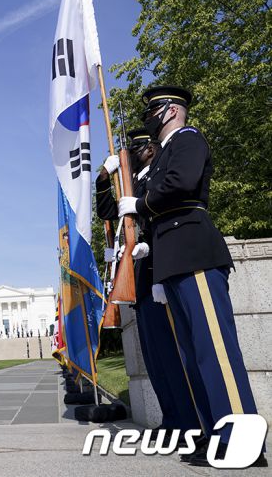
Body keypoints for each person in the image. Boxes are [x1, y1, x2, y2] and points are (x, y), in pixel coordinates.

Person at [118, 86, 265, 468]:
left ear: (169, 111)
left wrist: (140, 203)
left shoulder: (188, 138)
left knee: (214, 350)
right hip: (172, 257)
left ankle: (242, 440)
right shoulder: (165, 152)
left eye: (152, 112)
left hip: (192, 250)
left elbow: (180, 184)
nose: (147, 119)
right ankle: (215, 434)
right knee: (193, 356)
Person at [97, 128, 201, 438]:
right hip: (141, 278)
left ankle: (189, 423)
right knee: (155, 358)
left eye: (137, 147)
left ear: (152, 149)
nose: (132, 152)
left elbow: (162, 222)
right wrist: (104, 178)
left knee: (171, 356)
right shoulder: (135, 183)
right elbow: (106, 211)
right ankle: (171, 419)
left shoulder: (157, 178)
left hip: (159, 271)